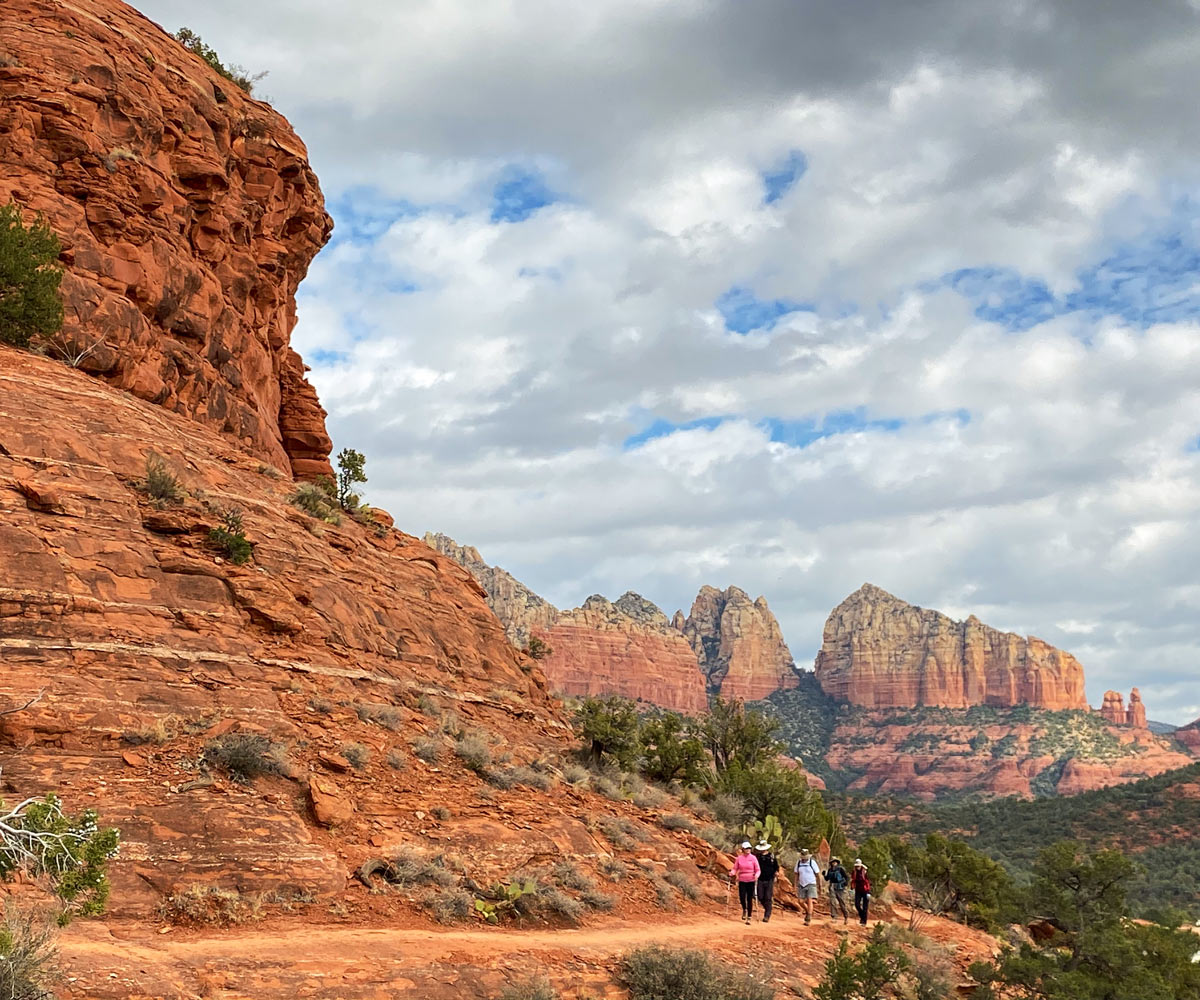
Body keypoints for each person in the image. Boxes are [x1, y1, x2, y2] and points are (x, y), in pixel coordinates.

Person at [728, 841, 760, 924]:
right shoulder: (739, 858)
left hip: (751, 880)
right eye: (746, 848)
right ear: (743, 849)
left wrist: (756, 875)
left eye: (749, 848)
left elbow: (758, 869)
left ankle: (749, 917)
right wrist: (732, 873)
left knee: (749, 898)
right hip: (742, 880)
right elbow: (735, 868)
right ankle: (744, 909)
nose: (748, 850)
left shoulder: (753, 858)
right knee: (742, 897)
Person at [793, 847, 821, 925]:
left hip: (811, 883)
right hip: (802, 884)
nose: (804, 859)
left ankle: (808, 918)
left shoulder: (812, 863)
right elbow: (796, 874)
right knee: (800, 901)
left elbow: (817, 874)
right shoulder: (798, 863)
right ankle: (808, 911)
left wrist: (819, 885)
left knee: (809, 900)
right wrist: (795, 885)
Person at [754, 841, 779, 923]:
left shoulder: (771, 856)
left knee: (768, 897)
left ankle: (767, 915)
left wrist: (776, 873)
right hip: (760, 879)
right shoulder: (758, 857)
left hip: (769, 879)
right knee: (760, 896)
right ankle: (768, 908)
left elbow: (776, 867)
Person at [824, 855, 850, 923]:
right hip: (832, 885)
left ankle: (846, 916)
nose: (834, 863)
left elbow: (846, 877)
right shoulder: (830, 870)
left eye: (835, 862)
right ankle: (834, 917)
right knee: (832, 902)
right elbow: (827, 879)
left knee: (841, 902)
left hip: (840, 886)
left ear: (837, 862)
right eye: (833, 862)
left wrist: (845, 883)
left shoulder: (841, 869)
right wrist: (824, 875)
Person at [851, 858, 871, 925]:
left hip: (865, 890)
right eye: (856, 866)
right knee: (857, 904)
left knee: (865, 906)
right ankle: (862, 916)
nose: (857, 867)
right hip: (858, 890)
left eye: (858, 866)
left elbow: (868, 882)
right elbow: (853, 880)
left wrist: (868, 892)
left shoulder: (865, 872)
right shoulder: (854, 872)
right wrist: (852, 887)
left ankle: (864, 921)